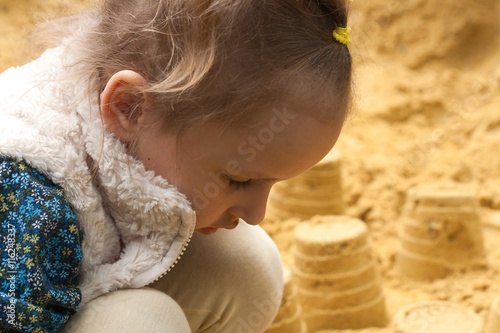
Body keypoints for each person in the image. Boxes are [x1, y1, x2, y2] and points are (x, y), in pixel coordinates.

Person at [0, 0, 352, 332]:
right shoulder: (29, 193)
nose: (257, 214)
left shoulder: (131, 132)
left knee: (246, 268)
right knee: (142, 322)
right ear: (131, 106)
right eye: (239, 180)